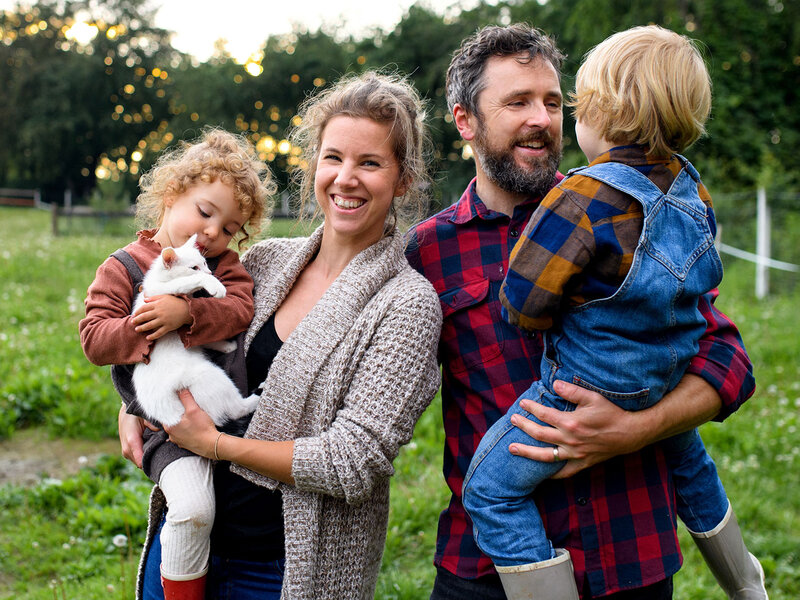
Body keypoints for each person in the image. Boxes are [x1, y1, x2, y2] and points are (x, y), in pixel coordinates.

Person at [405, 23, 756, 599]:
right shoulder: (427, 252)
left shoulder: (628, 216)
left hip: (631, 555)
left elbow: (728, 360)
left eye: (552, 101)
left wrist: (633, 429)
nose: (541, 118)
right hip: (489, 573)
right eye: (517, 102)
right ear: (465, 120)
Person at [119, 71, 443, 600]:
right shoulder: (264, 263)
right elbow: (185, 340)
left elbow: (352, 462)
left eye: (370, 163)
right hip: (188, 542)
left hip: (282, 569)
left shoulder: (407, 305)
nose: (345, 178)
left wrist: (215, 444)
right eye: (333, 157)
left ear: (402, 180)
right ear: (315, 164)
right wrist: (135, 401)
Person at [80, 128, 272, 599]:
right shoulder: (122, 267)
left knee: (227, 514)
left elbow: (240, 309)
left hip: (224, 413)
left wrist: (188, 313)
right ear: (171, 194)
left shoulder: (223, 267)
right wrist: (148, 324)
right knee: (192, 509)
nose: (213, 232)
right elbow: (95, 339)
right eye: (205, 212)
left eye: (230, 228)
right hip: (166, 426)